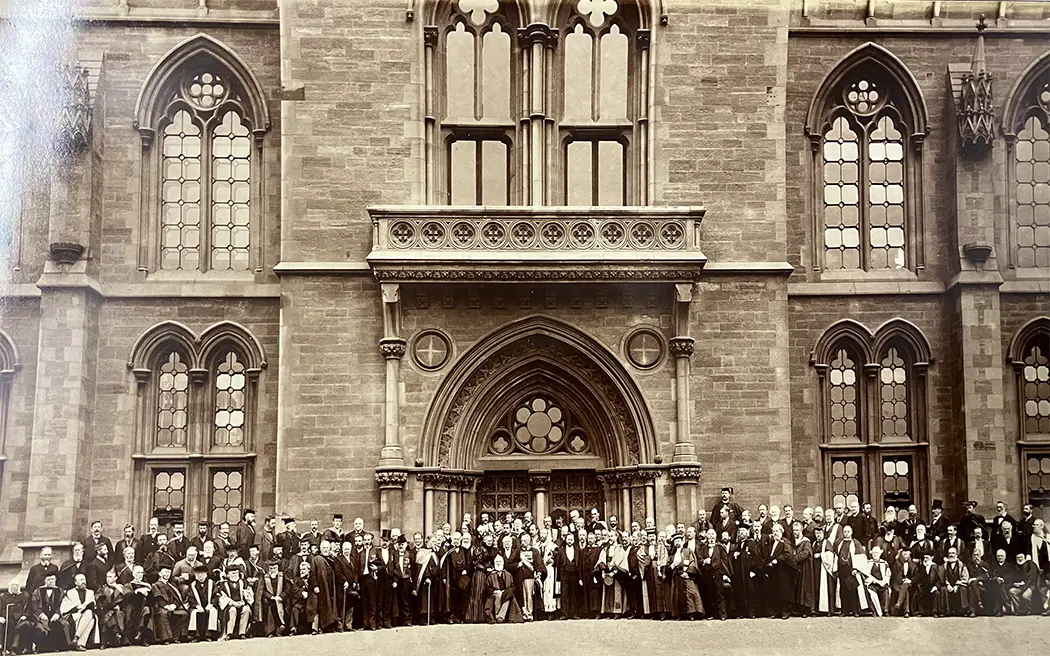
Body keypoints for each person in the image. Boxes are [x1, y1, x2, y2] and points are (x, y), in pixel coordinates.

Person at [29, 572, 67, 653]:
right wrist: (41, 614)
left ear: (56, 580)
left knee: (61, 625)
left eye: (52, 579)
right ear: (45, 581)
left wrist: (57, 614)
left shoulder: (60, 591)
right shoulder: (37, 591)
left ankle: (56, 647)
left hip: (56, 616)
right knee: (41, 627)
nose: (51, 581)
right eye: (48, 579)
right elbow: (34, 605)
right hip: (41, 616)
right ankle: (43, 648)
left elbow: (63, 604)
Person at [836, 525, 870, 617]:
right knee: (843, 590)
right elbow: (836, 555)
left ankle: (855, 610)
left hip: (851, 570)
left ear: (851, 532)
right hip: (842, 569)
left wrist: (855, 568)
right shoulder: (840, 543)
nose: (846, 533)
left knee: (853, 590)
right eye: (845, 531)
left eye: (848, 531)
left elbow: (860, 556)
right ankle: (845, 611)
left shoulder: (855, 543)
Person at [59, 573, 97, 651]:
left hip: (87, 614)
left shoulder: (90, 592)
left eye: (84, 579)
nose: (83, 582)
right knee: (91, 620)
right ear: (75, 582)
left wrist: (87, 606)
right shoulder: (70, 592)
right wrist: (77, 607)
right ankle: (79, 642)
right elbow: (64, 607)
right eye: (80, 580)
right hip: (74, 615)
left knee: (90, 614)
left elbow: (93, 604)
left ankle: (76, 639)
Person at [151, 565, 188, 645]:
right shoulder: (155, 585)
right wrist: (166, 606)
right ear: (160, 574)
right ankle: (165, 638)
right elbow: (157, 598)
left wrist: (174, 605)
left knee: (183, 613)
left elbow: (177, 598)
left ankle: (177, 637)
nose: (167, 574)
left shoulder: (172, 585)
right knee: (163, 613)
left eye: (169, 572)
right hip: (160, 606)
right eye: (165, 572)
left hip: (172, 606)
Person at [218, 567, 253, 639]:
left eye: (236, 573)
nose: (234, 575)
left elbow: (249, 594)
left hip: (242, 603)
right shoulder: (223, 584)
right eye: (232, 573)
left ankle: (242, 633)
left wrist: (244, 602)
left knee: (246, 609)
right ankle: (229, 633)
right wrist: (232, 602)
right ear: (228, 574)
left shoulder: (243, 582)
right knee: (232, 610)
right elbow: (222, 597)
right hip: (230, 604)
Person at [187, 564, 220, 641]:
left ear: (206, 574)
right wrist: (197, 606)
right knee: (195, 613)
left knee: (213, 611)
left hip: (209, 605)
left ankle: (209, 635)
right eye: (198, 574)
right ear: (195, 575)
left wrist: (211, 604)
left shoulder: (212, 583)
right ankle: (196, 636)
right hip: (196, 606)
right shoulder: (192, 585)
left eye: (202, 574)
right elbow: (190, 598)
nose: (200, 576)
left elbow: (216, 596)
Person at [484, 555, 521, 623]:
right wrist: (495, 591)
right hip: (495, 595)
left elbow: (513, 586)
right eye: (497, 561)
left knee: (508, 597)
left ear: (503, 563)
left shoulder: (508, 574)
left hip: (506, 593)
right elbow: (487, 588)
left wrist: (506, 591)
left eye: (500, 561)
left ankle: (500, 617)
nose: (498, 563)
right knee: (498, 596)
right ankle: (498, 616)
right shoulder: (490, 575)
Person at [95, 569, 126, 648]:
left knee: (113, 615)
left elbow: (125, 600)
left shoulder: (120, 588)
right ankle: (115, 632)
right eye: (107, 577)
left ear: (115, 578)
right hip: (105, 609)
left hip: (118, 610)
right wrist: (111, 606)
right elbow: (99, 600)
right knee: (108, 615)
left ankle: (104, 642)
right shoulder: (102, 588)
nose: (108, 579)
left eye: (110, 577)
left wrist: (119, 606)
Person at [789, 522, 814, 616]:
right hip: (796, 568)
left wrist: (794, 559)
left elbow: (806, 553)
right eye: (794, 530)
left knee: (805, 588)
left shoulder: (806, 542)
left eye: (797, 530)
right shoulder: (793, 541)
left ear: (801, 530)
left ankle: (806, 610)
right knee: (797, 588)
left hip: (804, 568)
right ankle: (798, 609)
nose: (795, 532)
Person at [812, 525, 837, 616]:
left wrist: (820, 555)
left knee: (827, 589)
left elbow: (830, 555)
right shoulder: (814, 543)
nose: (818, 535)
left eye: (820, 533)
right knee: (817, 588)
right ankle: (818, 609)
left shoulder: (827, 543)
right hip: (816, 569)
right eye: (816, 533)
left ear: (823, 534)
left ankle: (829, 610)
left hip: (825, 569)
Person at [942, 547, 973, 617]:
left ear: (957, 555)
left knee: (963, 589)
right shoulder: (945, 565)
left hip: (959, 585)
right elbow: (944, 577)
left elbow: (965, 578)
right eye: (949, 553)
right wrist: (948, 585)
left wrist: (957, 585)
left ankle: (964, 610)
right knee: (943, 589)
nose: (951, 555)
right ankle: (947, 611)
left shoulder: (961, 565)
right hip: (949, 585)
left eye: (953, 553)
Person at [259, 561, 287, 637]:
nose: (273, 570)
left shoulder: (282, 576)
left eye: (275, 568)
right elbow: (263, 590)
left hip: (281, 599)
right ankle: (271, 631)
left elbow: (287, 589)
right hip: (269, 599)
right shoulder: (265, 577)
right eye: (271, 568)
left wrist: (281, 596)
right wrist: (270, 597)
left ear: (278, 568)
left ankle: (279, 630)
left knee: (278, 606)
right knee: (271, 606)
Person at [914, 552, 945, 617]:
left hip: (933, 587)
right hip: (924, 587)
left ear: (932, 558)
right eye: (924, 558)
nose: (925, 559)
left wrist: (936, 587)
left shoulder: (936, 567)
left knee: (936, 593)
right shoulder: (922, 567)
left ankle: (935, 612)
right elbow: (919, 578)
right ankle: (922, 612)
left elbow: (940, 580)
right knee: (919, 593)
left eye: (927, 558)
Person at [863, 545, 891, 616]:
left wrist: (884, 582)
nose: (875, 555)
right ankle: (874, 611)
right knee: (871, 592)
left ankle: (885, 610)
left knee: (886, 590)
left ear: (880, 554)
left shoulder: (884, 563)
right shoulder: (868, 563)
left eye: (877, 553)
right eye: (874, 553)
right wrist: (873, 580)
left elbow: (888, 574)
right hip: (872, 584)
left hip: (882, 583)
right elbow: (866, 574)